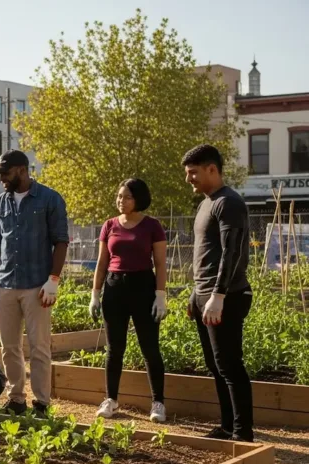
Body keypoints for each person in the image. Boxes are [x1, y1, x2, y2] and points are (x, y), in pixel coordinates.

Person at [0, 150, 69, 417]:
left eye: (5, 174)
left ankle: (41, 403)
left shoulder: (50, 199)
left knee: (39, 347)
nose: (2, 179)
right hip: (5, 283)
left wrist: (53, 280)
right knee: (9, 347)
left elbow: (61, 241)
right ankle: (16, 398)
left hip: (37, 285)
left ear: (21, 170)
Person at [182, 144, 254, 442]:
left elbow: (232, 252)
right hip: (205, 297)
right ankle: (227, 426)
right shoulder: (206, 204)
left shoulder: (229, 202)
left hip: (225, 297)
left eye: (193, 173)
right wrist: (196, 295)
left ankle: (242, 433)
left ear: (212, 169)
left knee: (229, 365)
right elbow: (205, 255)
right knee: (216, 365)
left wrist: (218, 295)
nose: (189, 180)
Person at [89, 178, 169, 423]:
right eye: (119, 196)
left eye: (126, 197)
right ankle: (111, 400)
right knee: (115, 348)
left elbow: (161, 264)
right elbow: (102, 263)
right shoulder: (109, 225)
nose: (120, 201)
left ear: (139, 199)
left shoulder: (152, 226)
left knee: (150, 348)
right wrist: (95, 293)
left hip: (143, 287)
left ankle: (158, 403)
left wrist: (161, 295)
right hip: (114, 288)